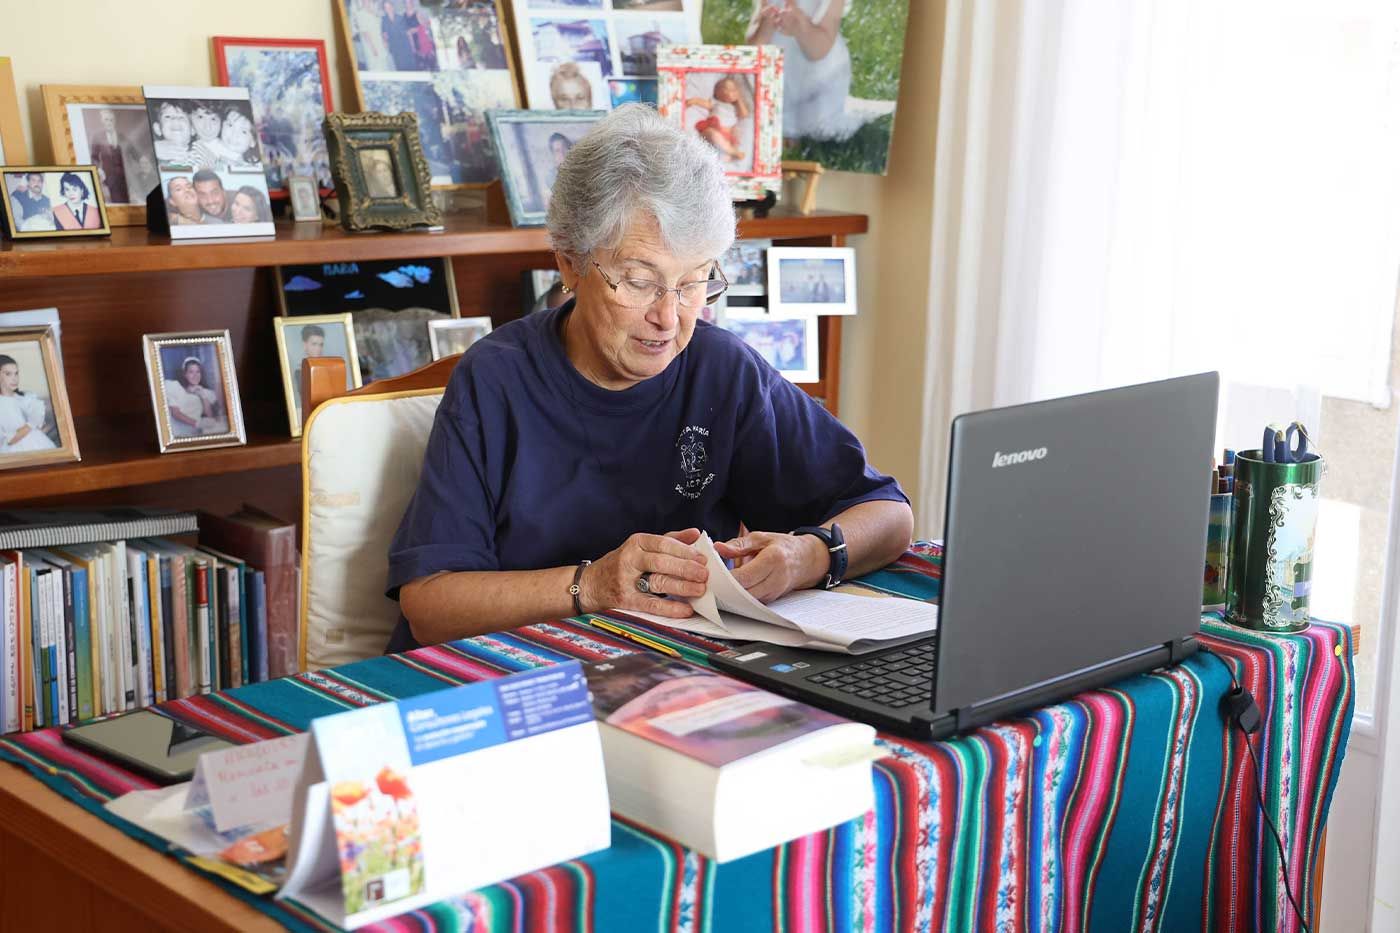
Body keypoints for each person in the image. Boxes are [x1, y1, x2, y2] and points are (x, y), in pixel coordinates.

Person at [386, 104, 912, 651]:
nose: (669, 317)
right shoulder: (495, 380)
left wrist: (809, 555)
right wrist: (592, 585)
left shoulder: (721, 370)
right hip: (512, 677)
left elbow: (889, 514)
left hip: (663, 677)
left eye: (694, 283)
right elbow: (429, 605)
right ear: (569, 264)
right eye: (640, 282)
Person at [747, 0, 881, 142]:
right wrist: (765, 28)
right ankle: (785, 124)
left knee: (815, 121)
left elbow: (820, 51)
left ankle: (795, 129)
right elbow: (752, 48)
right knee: (749, 103)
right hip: (779, 79)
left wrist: (801, 27)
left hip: (818, 81)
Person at [0, 354, 57, 454]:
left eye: (16, 373)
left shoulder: (27, 397)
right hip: (14, 452)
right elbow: (8, 440)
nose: (15, 379)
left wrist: (38, 421)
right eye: (8, 374)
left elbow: (41, 426)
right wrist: (31, 424)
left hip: (39, 443)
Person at [686, 75, 750, 163]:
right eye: (726, 88)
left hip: (727, 136)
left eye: (734, 90)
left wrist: (739, 100)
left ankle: (727, 154)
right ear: (717, 92)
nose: (731, 92)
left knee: (734, 135)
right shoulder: (716, 103)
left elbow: (744, 115)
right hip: (713, 129)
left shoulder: (735, 107)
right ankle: (732, 151)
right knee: (712, 134)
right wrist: (695, 101)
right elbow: (705, 104)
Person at [164, 356, 226, 438]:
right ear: (185, 374)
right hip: (176, 431)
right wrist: (197, 423)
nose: (195, 375)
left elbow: (209, 415)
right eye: (191, 372)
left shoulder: (206, 392)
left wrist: (202, 395)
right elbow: (175, 413)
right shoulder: (175, 387)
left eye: (198, 372)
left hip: (193, 433)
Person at [89, 109, 130, 204]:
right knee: (116, 202)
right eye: (106, 120)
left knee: (126, 201)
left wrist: (141, 159)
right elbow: (94, 157)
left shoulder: (121, 136)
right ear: (102, 122)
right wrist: (98, 169)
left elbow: (131, 150)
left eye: (111, 120)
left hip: (124, 178)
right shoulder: (97, 136)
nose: (109, 122)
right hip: (109, 177)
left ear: (114, 121)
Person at [151, 101, 194, 165]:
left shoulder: (202, 154)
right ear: (158, 129)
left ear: (193, 129)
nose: (175, 119)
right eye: (167, 116)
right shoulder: (153, 157)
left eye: (181, 117)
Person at [403, 0, 438, 70]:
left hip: (423, 40)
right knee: (420, 64)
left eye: (410, 2)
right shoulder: (404, 16)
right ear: (404, 4)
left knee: (431, 62)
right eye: (407, 2)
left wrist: (415, 29)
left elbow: (425, 24)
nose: (409, 4)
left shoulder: (417, 13)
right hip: (414, 41)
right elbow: (406, 32)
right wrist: (412, 45)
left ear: (412, 3)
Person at [382, 0, 416, 70]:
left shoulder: (401, 18)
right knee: (400, 67)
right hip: (395, 48)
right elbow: (384, 34)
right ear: (384, 9)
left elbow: (408, 33)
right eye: (386, 7)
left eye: (390, 6)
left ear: (393, 7)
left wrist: (412, 46)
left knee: (411, 66)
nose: (389, 9)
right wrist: (385, 42)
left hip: (405, 46)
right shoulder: (384, 20)